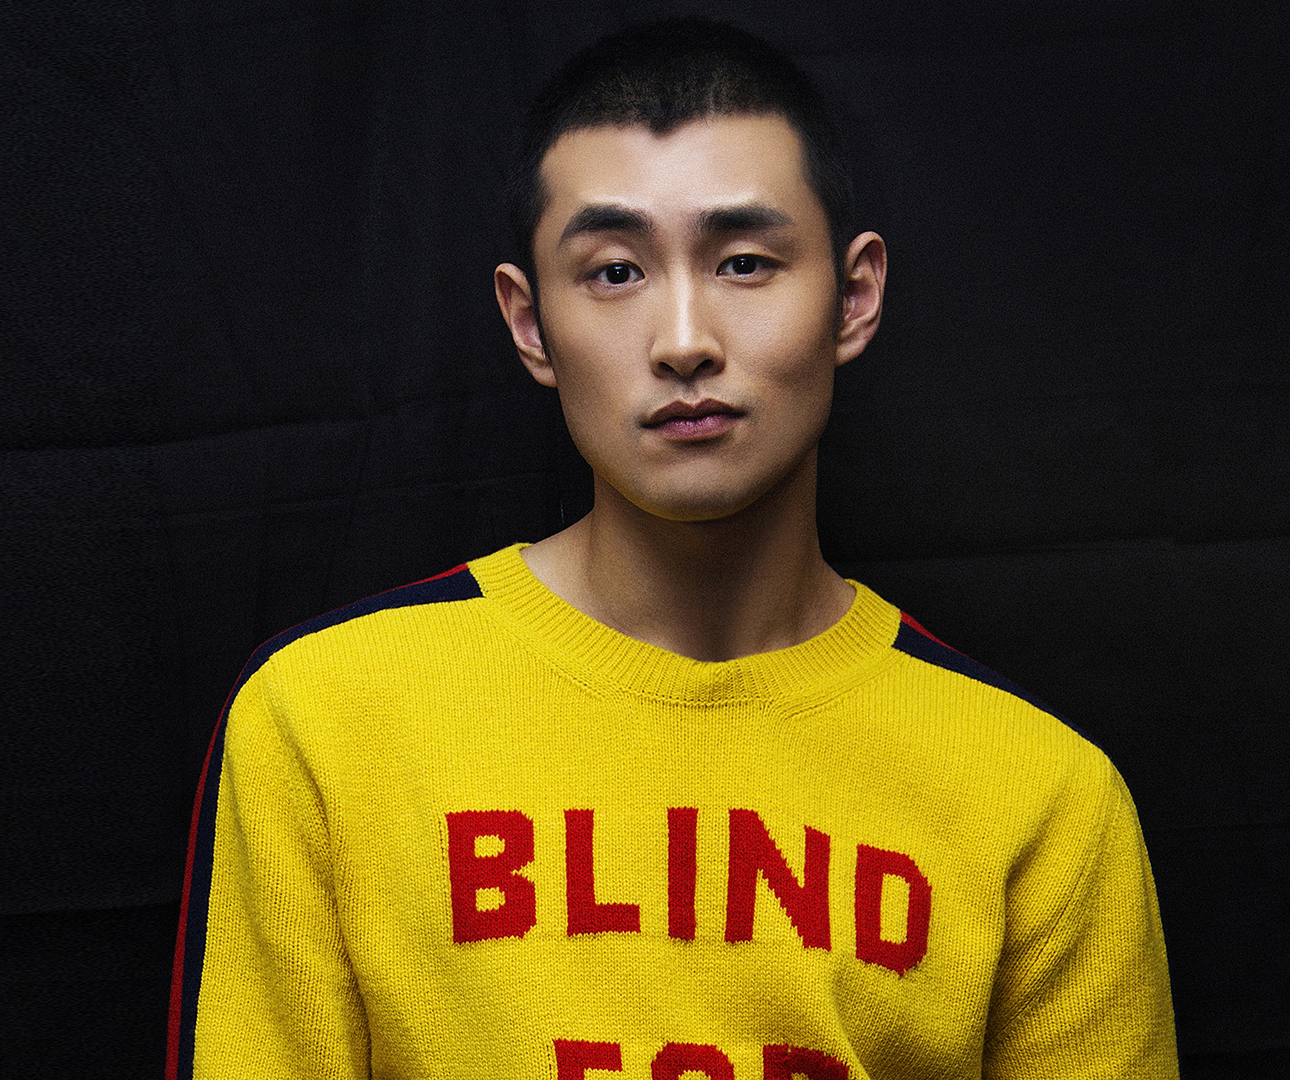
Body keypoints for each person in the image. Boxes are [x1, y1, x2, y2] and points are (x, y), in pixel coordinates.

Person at [171, 17, 1177, 1079]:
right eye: (615, 272)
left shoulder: (1041, 793)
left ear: (854, 297)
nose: (685, 341)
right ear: (529, 322)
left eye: (744, 262)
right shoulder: (326, 720)